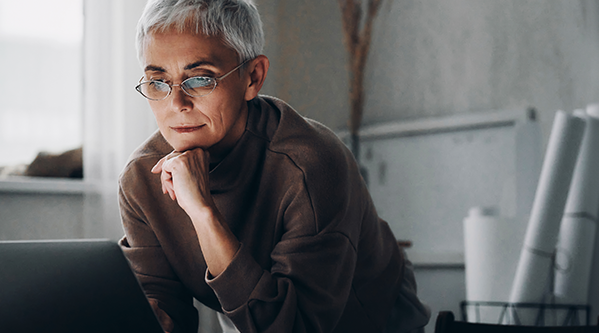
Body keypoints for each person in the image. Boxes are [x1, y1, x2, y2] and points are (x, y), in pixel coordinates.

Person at [118, 0, 430, 332]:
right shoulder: (142, 179)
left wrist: (202, 212)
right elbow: (161, 305)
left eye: (200, 79)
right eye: (158, 82)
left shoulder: (312, 165)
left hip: (369, 320)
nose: (176, 104)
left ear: (252, 77)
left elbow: (295, 326)